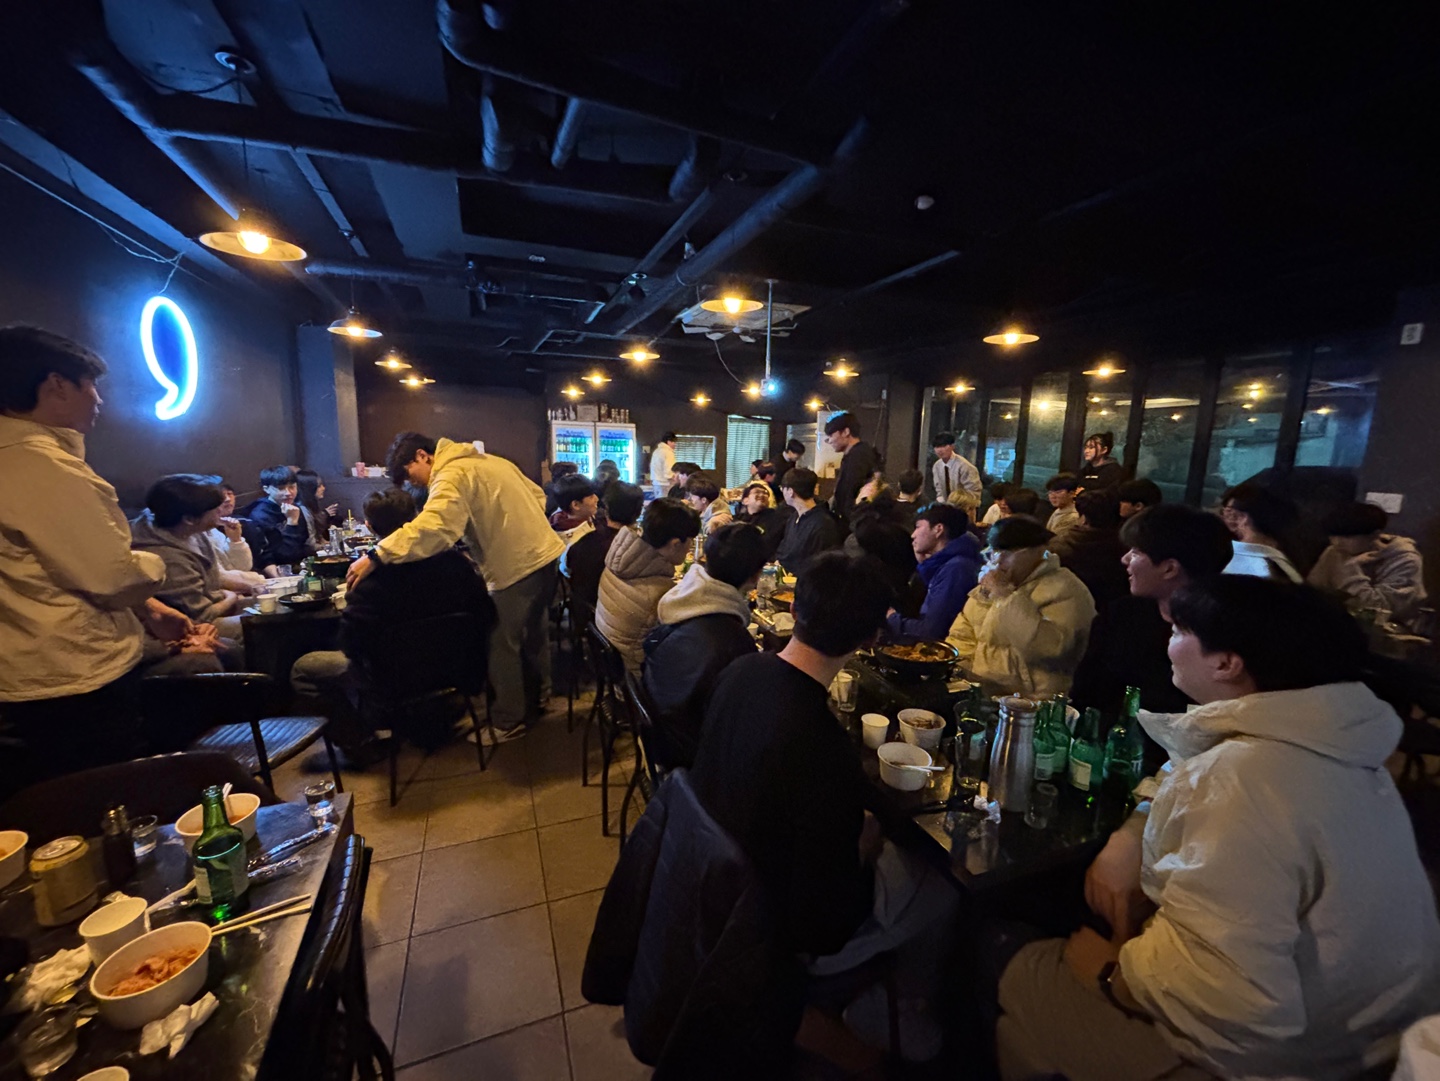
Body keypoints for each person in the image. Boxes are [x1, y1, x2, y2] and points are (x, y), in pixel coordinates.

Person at [996, 576, 1440, 1081]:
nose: (1168, 640)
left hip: (1291, 1060)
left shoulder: (1243, 780)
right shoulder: (1330, 746)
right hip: (1380, 1031)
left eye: (1179, 630)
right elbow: (1185, 767)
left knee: (1009, 953)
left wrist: (1111, 973)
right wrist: (1134, 830)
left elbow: (1233, 999)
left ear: (1227, 664)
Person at [692, 552, 958, 1062]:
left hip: (716, 881)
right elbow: (826, 917)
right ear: (871, 639)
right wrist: (867, 843)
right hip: (775, 925)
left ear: (797, 609)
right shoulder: (819, 743)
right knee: (943, 889)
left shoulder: (742, 670)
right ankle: (890, 1010)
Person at [0, 326, 191, 798]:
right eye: (90, 385)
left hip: (25, 675)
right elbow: (112, 576)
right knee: (108, 802)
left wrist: (149, 608)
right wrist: (150, 568)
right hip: (72, 675)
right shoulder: (41, 465)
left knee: (59, 803)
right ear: (56, 385)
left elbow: (50, 568)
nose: (99, 399)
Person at [347, 432, 565, 740]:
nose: (412, 483)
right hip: (547, 554)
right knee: (534, 632)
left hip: (516, 565)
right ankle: (540, 698)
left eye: (409, 474)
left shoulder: (451, 473)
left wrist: (377, 554)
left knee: (500, 642)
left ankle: (508, 721)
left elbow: (436, 527)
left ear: (422, 456)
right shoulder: (491, 461)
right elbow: (537, 496)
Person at [291, 488, 496, 763]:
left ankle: (362, 743)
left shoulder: (369, 580)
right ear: (417, 519)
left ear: (369, 527)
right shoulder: (455, 563)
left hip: (393, 679)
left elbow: (352, 644)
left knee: (304, 668)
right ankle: (437, 711)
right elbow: (485, 615)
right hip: (459, 668)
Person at [1070, 504, 1234, 722]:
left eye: (1136, 552)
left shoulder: (1224, 632)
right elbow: (1086, 692)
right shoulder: (1122, 613)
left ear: (1169, 569)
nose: (1125, 559)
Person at [641, 523, 766, 769]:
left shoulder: (681, 600)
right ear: (755, 577)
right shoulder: (732, 640)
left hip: (659, 728)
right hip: (687, 754)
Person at [947, 516, 1096, 697]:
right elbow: (962, 636)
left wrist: (1005, 596)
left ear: (1037, 552)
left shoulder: (1065, 589)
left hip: (1031, 701)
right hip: (982, 693)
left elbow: (1049, 649)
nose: (998, 561)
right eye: (994, 552)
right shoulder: (993, 582)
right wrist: (961, 677)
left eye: (1008, 553)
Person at [129, 474, 247, 638]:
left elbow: (214, 581)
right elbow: (200, 616)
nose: (221, 510)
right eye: (215, 509)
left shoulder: (187, 527)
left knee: (276, 606)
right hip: (190, 628)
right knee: (267, 623)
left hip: (215, 603)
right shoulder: (167, 558)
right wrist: (231, 597)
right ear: (189, 519)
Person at [595, 497, 698, 670]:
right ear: (675, 544)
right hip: (634, 674)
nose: (690, 547)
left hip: (614, 662)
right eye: (691, 541)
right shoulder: (659, 592)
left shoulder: (619, 561)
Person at [1308, 501, 1428, 633]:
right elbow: (1312, 590)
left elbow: (1380, 609)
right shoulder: (1335, 552)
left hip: (1389, 631)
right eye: (1333, 536)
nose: (1337, 542)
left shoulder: (1405, 560)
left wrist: (1350, 571)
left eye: (1347, 537)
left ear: (1374, 535)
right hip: (1337, 625)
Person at [888, 502, 981, 641]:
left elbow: (932, 631)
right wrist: (924, 565)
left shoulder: (956, 569)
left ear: (938, 529)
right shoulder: (948, 564)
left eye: (918, 527)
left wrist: (892, 618)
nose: (913, 535)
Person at [565, 481, 643, 629]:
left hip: (584, 615)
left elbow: (568, 568)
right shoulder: (639, 549)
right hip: (613, 620)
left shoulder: (584, 541)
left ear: (606, 509)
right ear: (639, 512)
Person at [1049, 489, 1129, 610]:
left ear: (1083, 519)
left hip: (1070, 609)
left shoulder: (1058, 547)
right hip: (1114, 609)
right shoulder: (1128, 548)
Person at [1220, 481, 1302, 582]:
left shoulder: (1241, 566)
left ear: (1243, 518)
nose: (1225, 519)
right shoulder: (1282, 564)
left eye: (1230, 513)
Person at [239, 465, 311, 574]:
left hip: (299, 566)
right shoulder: (260, 516)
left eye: (292, 487)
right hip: (277, 571)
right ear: (266, 489)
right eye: (281, 488)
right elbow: (283, 556)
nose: (288, 493)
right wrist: (291, 523)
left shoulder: (294, 507)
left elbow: (303, 541)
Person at [773, 467, 842, 575]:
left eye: (783, 488)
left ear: (790, 492)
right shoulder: (794, 517)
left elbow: (820, 565)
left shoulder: (823, 523)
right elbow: (784, 550)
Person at [824, 412, 882, 530]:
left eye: (831, 435)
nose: (829, 441)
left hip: (854, 526)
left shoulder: (858, 456)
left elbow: (850, 493)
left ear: (846, 432)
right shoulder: (857, 454)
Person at [736, 481, 788, 559]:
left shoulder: (777, 518)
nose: (762, 495)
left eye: (765, 493)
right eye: (757, 492)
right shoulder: (737, 520)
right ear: (745, 501)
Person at [549, 473, 599, 547]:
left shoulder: (588, 516)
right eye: (591, 497)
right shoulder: (575, 543)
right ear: (575, 505)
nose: (597, 499)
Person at [296, 468, 339, 552]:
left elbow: (319, 537)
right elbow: (311, 545)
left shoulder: (311, 506)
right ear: (308, 489)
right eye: (319, 486)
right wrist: (330, 547)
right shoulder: (303, 510)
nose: (323, 488)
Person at [930, 431, 981, 502]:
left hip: (964, 505)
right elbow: (939, 490)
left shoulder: (964, 466)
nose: (940, 450)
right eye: (937, 447)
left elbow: (973, 492)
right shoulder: (937, 466)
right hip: (946, 505)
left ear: (952, 446)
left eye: (944, 446)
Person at [1044, 472, 1082, 537]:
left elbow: (1056, 539)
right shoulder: (1059, 510)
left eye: (1058, 492)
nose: (1053, 496)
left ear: (1071, 493)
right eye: (1050, 492)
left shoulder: (1073, 517)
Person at [649, 431, 677, 499]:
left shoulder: (656, 451)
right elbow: (669, 471)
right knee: (665, 503)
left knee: (659, 502)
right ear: (668, 442)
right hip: (665, 484)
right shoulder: (668, 452)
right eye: (674, 442)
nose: (675, 444)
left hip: (656, 483)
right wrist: (675, 479)